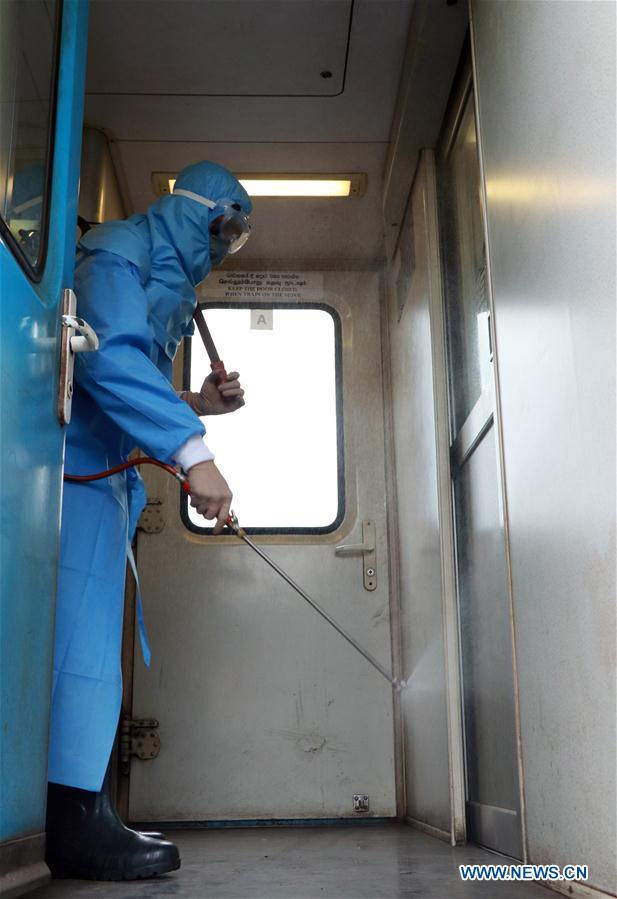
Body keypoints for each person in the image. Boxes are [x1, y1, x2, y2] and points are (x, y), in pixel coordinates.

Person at [44, 161, 252, 880]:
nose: (224, 246)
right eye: (221, 228)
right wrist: (195, 455)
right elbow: (108, 362)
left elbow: (128, 377)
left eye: (235, 237)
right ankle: (71, 824)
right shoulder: (118, 253)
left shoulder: (157, 274)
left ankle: (83, 811)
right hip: (70, 480)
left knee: (91, 650)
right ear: (191, 212)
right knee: (78, 652)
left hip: (101, 483)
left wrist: (194, 402)